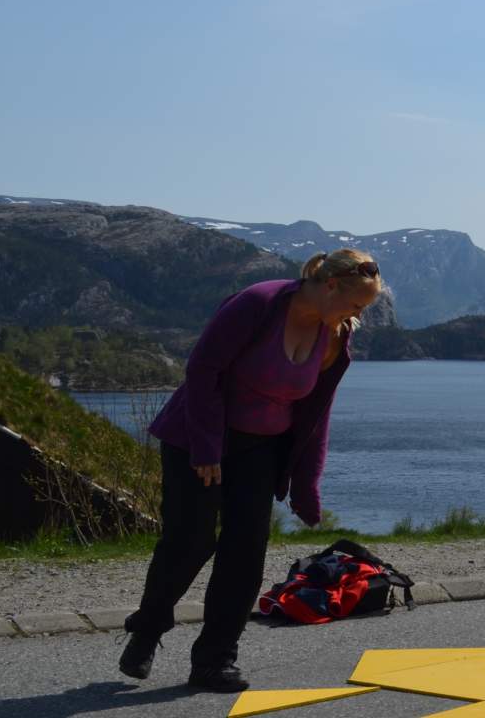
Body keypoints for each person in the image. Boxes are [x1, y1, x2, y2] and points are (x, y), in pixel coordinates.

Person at [119, 249, 381, 692]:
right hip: (197, 438)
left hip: (261, 449)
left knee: (245, 553)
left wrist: (306, 486)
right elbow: (203, 371)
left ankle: (215, 660)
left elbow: (316, 413)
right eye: (357, 305)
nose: (360, 315)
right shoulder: (257, 303)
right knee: (190, 541)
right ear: (331, 286)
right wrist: (206, 448)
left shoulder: (335, 337)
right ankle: (148, 629)